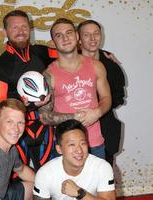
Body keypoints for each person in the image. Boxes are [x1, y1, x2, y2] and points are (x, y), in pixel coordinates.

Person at [0, 9, 58, 171]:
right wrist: (24, 104)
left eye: (24, 27)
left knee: (50, 177)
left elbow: (68, 52)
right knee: (17, 182)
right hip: (16, 132)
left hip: (44, 127)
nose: (21, 32)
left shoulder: (41, 52)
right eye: (14, 28)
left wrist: (102, 54)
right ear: (5, 31)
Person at [39, 18, 111, 159]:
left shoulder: (96, 66)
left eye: (69, 33)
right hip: (66, 148)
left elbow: (106, 98)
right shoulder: (49, 74)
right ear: (53, 42)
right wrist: (74, 118)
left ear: (77, 36)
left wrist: (96, 112)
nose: (65, 38)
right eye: (59, 35)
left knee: (96, 182)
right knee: (66, 182)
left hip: (94, 144)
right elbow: (44, 116)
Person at [77, 20, 126, 166]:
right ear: (79, 39)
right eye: (87, 35)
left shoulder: (112, 66)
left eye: (96, 34)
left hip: (105, 129)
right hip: (76, 129)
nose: (93, 39)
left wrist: (99, 108)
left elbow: (118, 98)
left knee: (105, 180)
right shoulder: (68, 63)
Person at [33, 119, 116, 200]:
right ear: (59, 149)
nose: (79, 150)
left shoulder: (102, 167)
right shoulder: (45, 173)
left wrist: (80, 193)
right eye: (72, 144)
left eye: (83, 143)